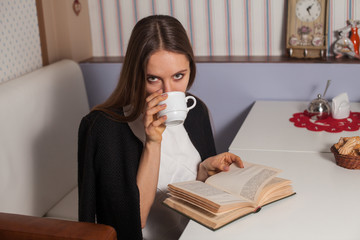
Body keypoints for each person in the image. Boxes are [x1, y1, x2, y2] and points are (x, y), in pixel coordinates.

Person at [78, 15, 243, 239]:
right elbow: (130, 226)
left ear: (190, 69)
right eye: (153, 79)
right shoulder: (104, 129)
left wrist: (204, 172)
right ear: (135, 76)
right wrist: (152, 143)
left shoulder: (195, 112)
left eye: (178, 76)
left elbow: (201, 200)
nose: (168, 91)